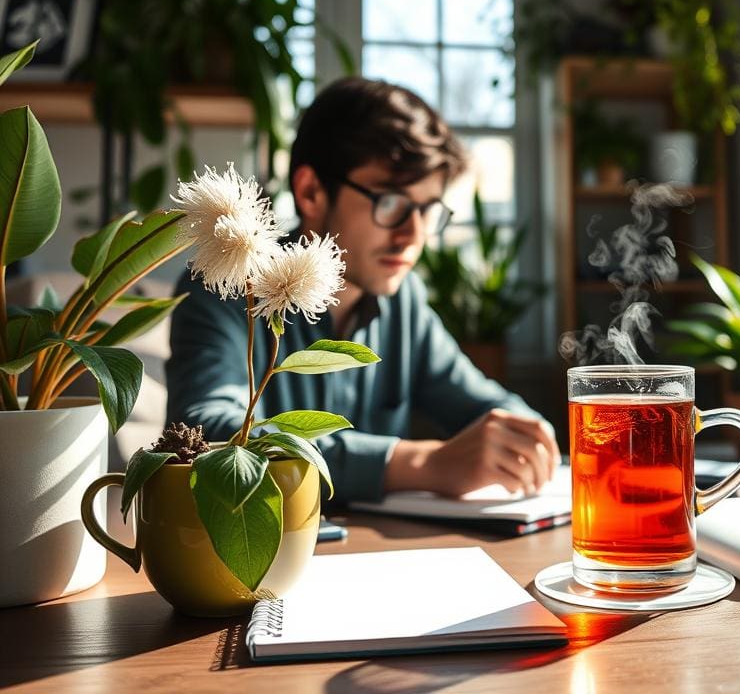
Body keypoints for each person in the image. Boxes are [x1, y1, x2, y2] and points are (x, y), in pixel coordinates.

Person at [165, 77, 559, 503]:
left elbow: (484, 404)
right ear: (311, 191)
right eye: (391, 202)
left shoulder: (402, 301)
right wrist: (422, 465)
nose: (414, 235)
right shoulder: (227, 288)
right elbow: (205, 432)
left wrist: (527, 438)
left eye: (428, 211)